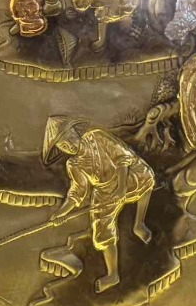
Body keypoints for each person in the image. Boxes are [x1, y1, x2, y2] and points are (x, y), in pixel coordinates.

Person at [46, 121, 155, 291]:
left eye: (69, 140)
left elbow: (122, 158)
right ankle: (113, 275)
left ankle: (139, 224)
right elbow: (78, 191)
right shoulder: (74, 164)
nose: (69, 146)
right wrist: (62, 212)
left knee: (146, 177)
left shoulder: (96, 136)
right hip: (103, 191)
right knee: (101, 227)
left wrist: (121, 189)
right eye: (64, 147)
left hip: (124, 175)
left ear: (74, 133)